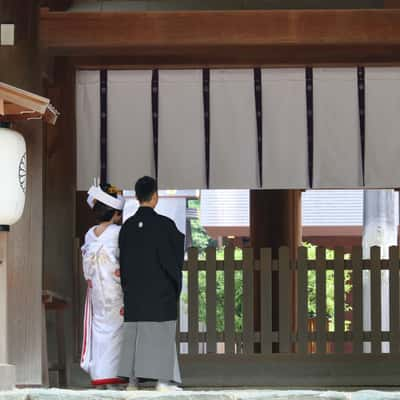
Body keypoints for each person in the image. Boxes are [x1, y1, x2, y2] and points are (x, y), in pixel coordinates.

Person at [118, 176, 185, 391]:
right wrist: (173, 284)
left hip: (135, 291)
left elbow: (124, 260)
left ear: (138, 197)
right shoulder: (165, 226)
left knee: (134, 335)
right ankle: (162, 381)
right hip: (160, 291)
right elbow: (174, 256)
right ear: (154, 197)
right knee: (161, 333)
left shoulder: (127, 227)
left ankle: (132, 382)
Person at [80, 182, 128, 389]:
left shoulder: (90, 234)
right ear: (116, 214)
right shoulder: (118, 233)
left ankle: (100, 375)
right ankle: (115, 376)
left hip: (97, 291)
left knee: (99, 329)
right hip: (116, 289)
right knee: (117, 330)